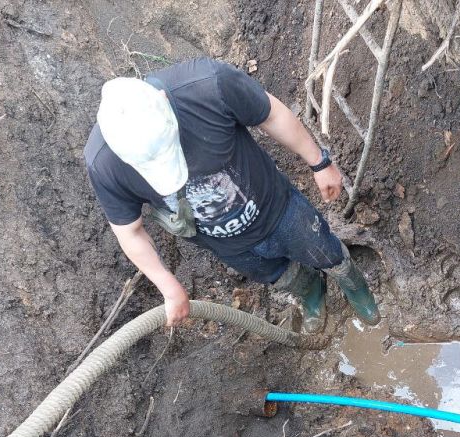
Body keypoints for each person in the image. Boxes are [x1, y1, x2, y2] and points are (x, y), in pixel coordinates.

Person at [84, 57, 380, 334]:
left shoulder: (207, 86)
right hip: (227, 245)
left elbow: (271, 114)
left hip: (277, 209)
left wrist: (319, 162)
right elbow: (129, 232)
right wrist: (169, 287)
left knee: (322, 247)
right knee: (279, 275)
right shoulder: (105, 163)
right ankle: (311, 290)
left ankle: (353, 285)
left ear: (163, 102)